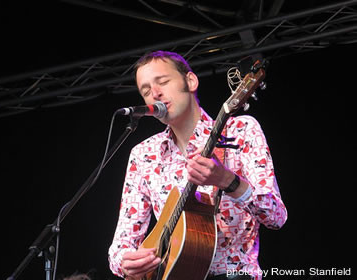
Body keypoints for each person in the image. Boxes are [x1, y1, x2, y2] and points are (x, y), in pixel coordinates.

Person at [108, 51, 287, 280]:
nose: (155, 93)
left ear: (190, 81)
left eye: (163, 82)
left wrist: (227, 181)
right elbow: (122, 243)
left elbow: (276, 216)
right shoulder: (143, 155)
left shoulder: (240, 131)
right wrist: (125, 261)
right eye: (145, 91)